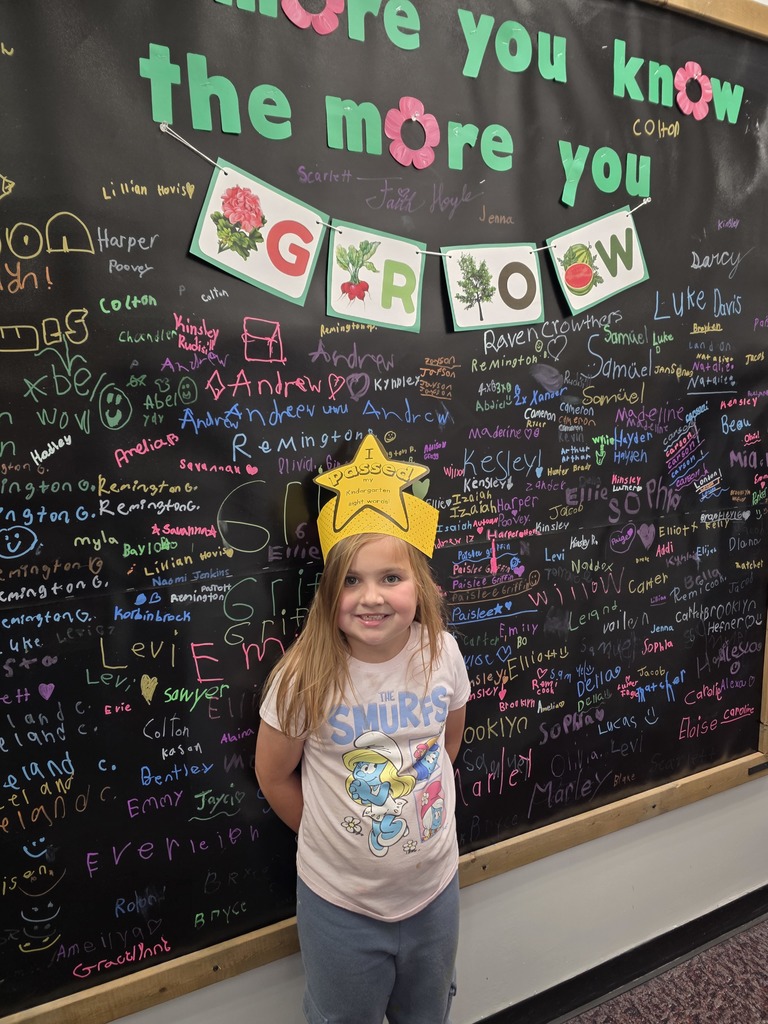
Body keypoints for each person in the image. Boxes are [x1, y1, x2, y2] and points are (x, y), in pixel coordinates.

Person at [255, 434, 470, 1024]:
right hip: (340, 905)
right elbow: (273, 775)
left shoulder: (442, 654)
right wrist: (337, 835)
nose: (370, 597)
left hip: (434, 891)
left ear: (419, 583)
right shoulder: (304, 676)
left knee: (428, 1012)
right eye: (350, 580)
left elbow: (447, 742)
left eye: (390, 577)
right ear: (329, 591)